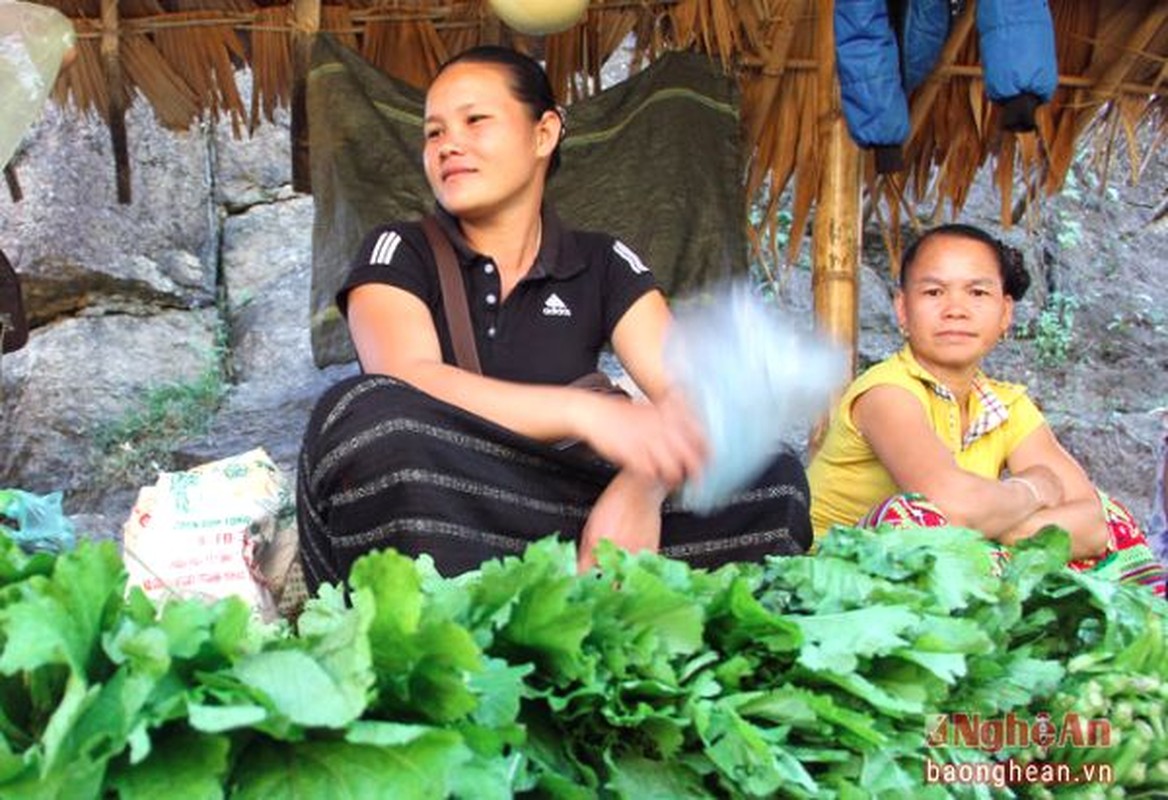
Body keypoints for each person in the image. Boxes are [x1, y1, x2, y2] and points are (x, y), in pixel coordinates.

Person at [296, 45, 812, 593]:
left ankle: (609, 606)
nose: (448, 145)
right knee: (368, 421)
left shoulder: (603, 261)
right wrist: (586, 413)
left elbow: (694, 394)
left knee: (769, 476)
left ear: (544, 134)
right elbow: (410, 377)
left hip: (568, 511)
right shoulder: (399, 250)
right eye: (433, 133)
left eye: (475, 121)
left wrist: (641, 486)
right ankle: (441, 630)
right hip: (451, 497)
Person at [807, 223, 1166, 596]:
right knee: (911, 521)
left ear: (1005, 313)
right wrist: (1034, 489)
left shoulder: (1006, 404)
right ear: (902, 309)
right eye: (933, 292)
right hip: (836, 590)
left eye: (977, 292)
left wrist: (995, 524)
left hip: (956, 571)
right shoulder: (886, 393)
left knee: (1112, 517)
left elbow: (1093, 525)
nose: (956, 310)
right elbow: (950, 506)